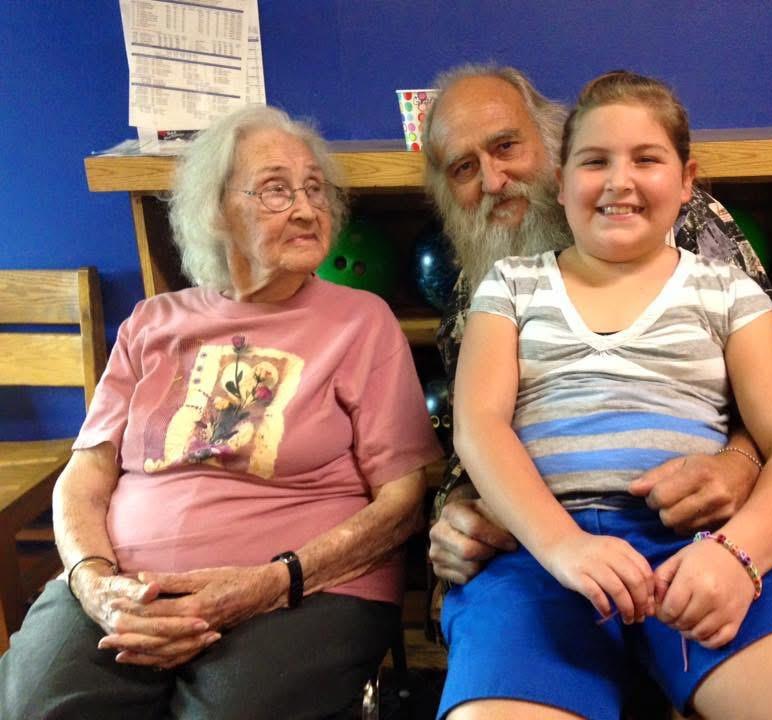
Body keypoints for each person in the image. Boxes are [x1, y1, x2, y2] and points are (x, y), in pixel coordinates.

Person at [439, 70, 772, 720]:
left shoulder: (724, 287)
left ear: (688, 180)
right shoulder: (506, 285)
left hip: (702, 549)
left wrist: (737, 556)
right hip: (540, 560)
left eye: (646, 159)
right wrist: (555, 543)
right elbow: (477, 428)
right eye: (594, 162)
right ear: (564, 179)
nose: (618, 181)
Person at [0, 105, 443, 720]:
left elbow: (401, 503)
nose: (308, 209)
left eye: (315, 189)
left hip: (302, 590)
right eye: (276, 190)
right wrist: (92, 581)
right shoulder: (151, 322)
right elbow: (88, 470)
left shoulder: (360, 322)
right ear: (215, 209)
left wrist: (271, 581)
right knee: (36, 706)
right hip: (127, 585)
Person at [422, 64, 772, 587]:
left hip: (686, 528)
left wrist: (740, 462)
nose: (492, 180)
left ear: (553, 149)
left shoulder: (684, 220)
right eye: (463, 168)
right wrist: (458, 514)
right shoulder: (476, 287)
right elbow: (476, 431)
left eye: (506, 147)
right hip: (544, 544)